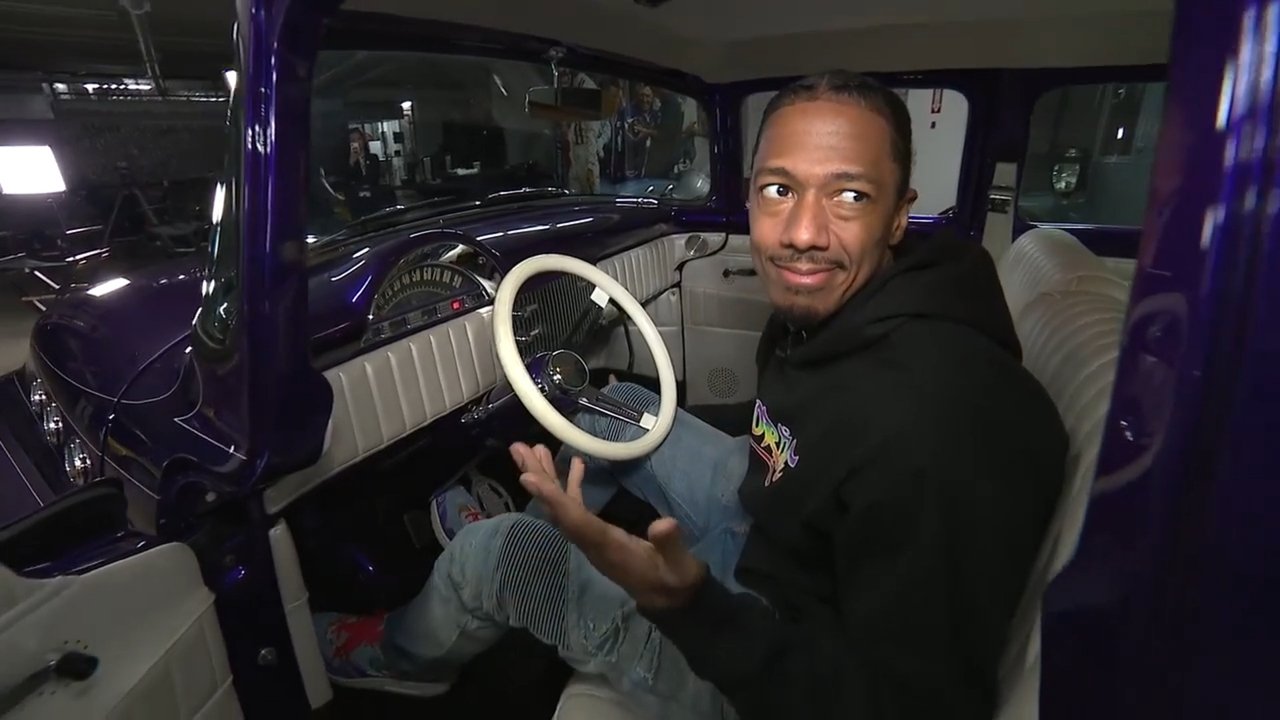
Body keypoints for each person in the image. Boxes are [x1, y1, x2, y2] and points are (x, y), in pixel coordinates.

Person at [313, 70, 1067, 720]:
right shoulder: (865, 306)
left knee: (492, 554)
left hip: (770, 639)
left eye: (848, 195)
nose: (802, 232)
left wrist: (690, 606)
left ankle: (401, 657)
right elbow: (806, 426)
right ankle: (555, 531)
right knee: (619, 409)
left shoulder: (935, 435)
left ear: (899, 212)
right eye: (779, 190)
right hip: (791, 533)